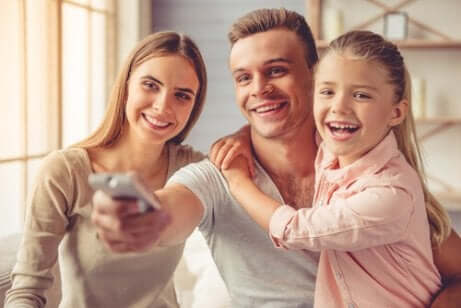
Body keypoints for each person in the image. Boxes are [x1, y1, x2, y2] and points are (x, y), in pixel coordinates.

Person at [91, 8, 461, 308]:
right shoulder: (218, 174)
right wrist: (141, 219)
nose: (259, 89)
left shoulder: (361, 172)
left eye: (277, 71)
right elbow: (168, 212)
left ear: (316, 77)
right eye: (243, 78)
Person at [216, 29, 447, 307]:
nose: (339, 107)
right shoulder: (331, 148)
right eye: (327, 91)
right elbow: (275, 127)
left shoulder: (391, 193)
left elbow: (294, 230)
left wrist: (237, 180)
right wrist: (240, 137)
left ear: (396, 112)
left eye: (361, 95)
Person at [5, 31, 209, 308]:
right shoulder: (65, 171)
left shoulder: (193, 167)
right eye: (150, 85)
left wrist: (241, 142)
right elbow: (28, 287)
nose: (163, 106)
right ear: (126, 86)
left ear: (193, 107)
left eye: (182, 96)